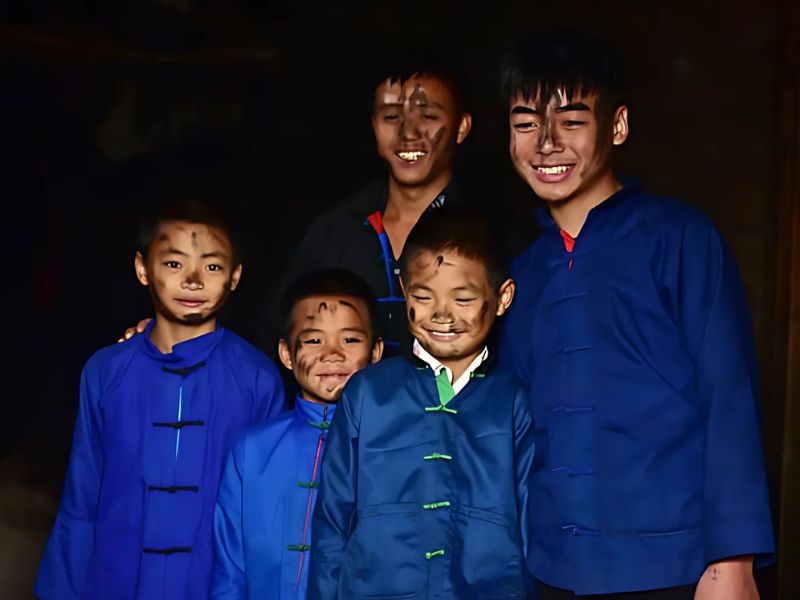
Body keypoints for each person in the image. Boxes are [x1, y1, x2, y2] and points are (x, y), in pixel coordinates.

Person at [499, 31, 774, 598]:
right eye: (526, 124)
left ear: (617, 125)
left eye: (572, 121)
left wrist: (733, 559)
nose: (546, 144)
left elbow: (728, 396)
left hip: (673, 567)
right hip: (552, 568)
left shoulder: (678, 237)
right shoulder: (521, 274)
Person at [35, 200, 285, 599]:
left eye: (212, 266)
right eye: (173, 263)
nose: (193, 280)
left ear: (235, 276)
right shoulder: (106, 371)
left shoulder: (257, 379)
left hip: (211, 586)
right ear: (142, 268)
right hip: (114, 583)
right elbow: (82, 496)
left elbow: (268, 512)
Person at [308, 210, 534, 599]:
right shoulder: (368, 393)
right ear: (403, 287)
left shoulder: (513, 400)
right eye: (423, 297)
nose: (442, 315)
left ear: (503, 298)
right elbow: (332, 519)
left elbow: (531, 522)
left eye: (463, 299)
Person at [277, 53, 475, 355]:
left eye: (428, 116)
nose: (408, 133)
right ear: (373, 125)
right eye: (391, 117)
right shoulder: (333, 231)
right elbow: (280, 332)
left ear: (461, 127)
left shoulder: (491, 232)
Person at [211, 268, 383, 599]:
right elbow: (229, 569)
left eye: (350, 340)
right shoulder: (252, 449)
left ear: (375, 352)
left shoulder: (390, 449)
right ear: (287, 354)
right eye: (314, 340)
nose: (332, 354)